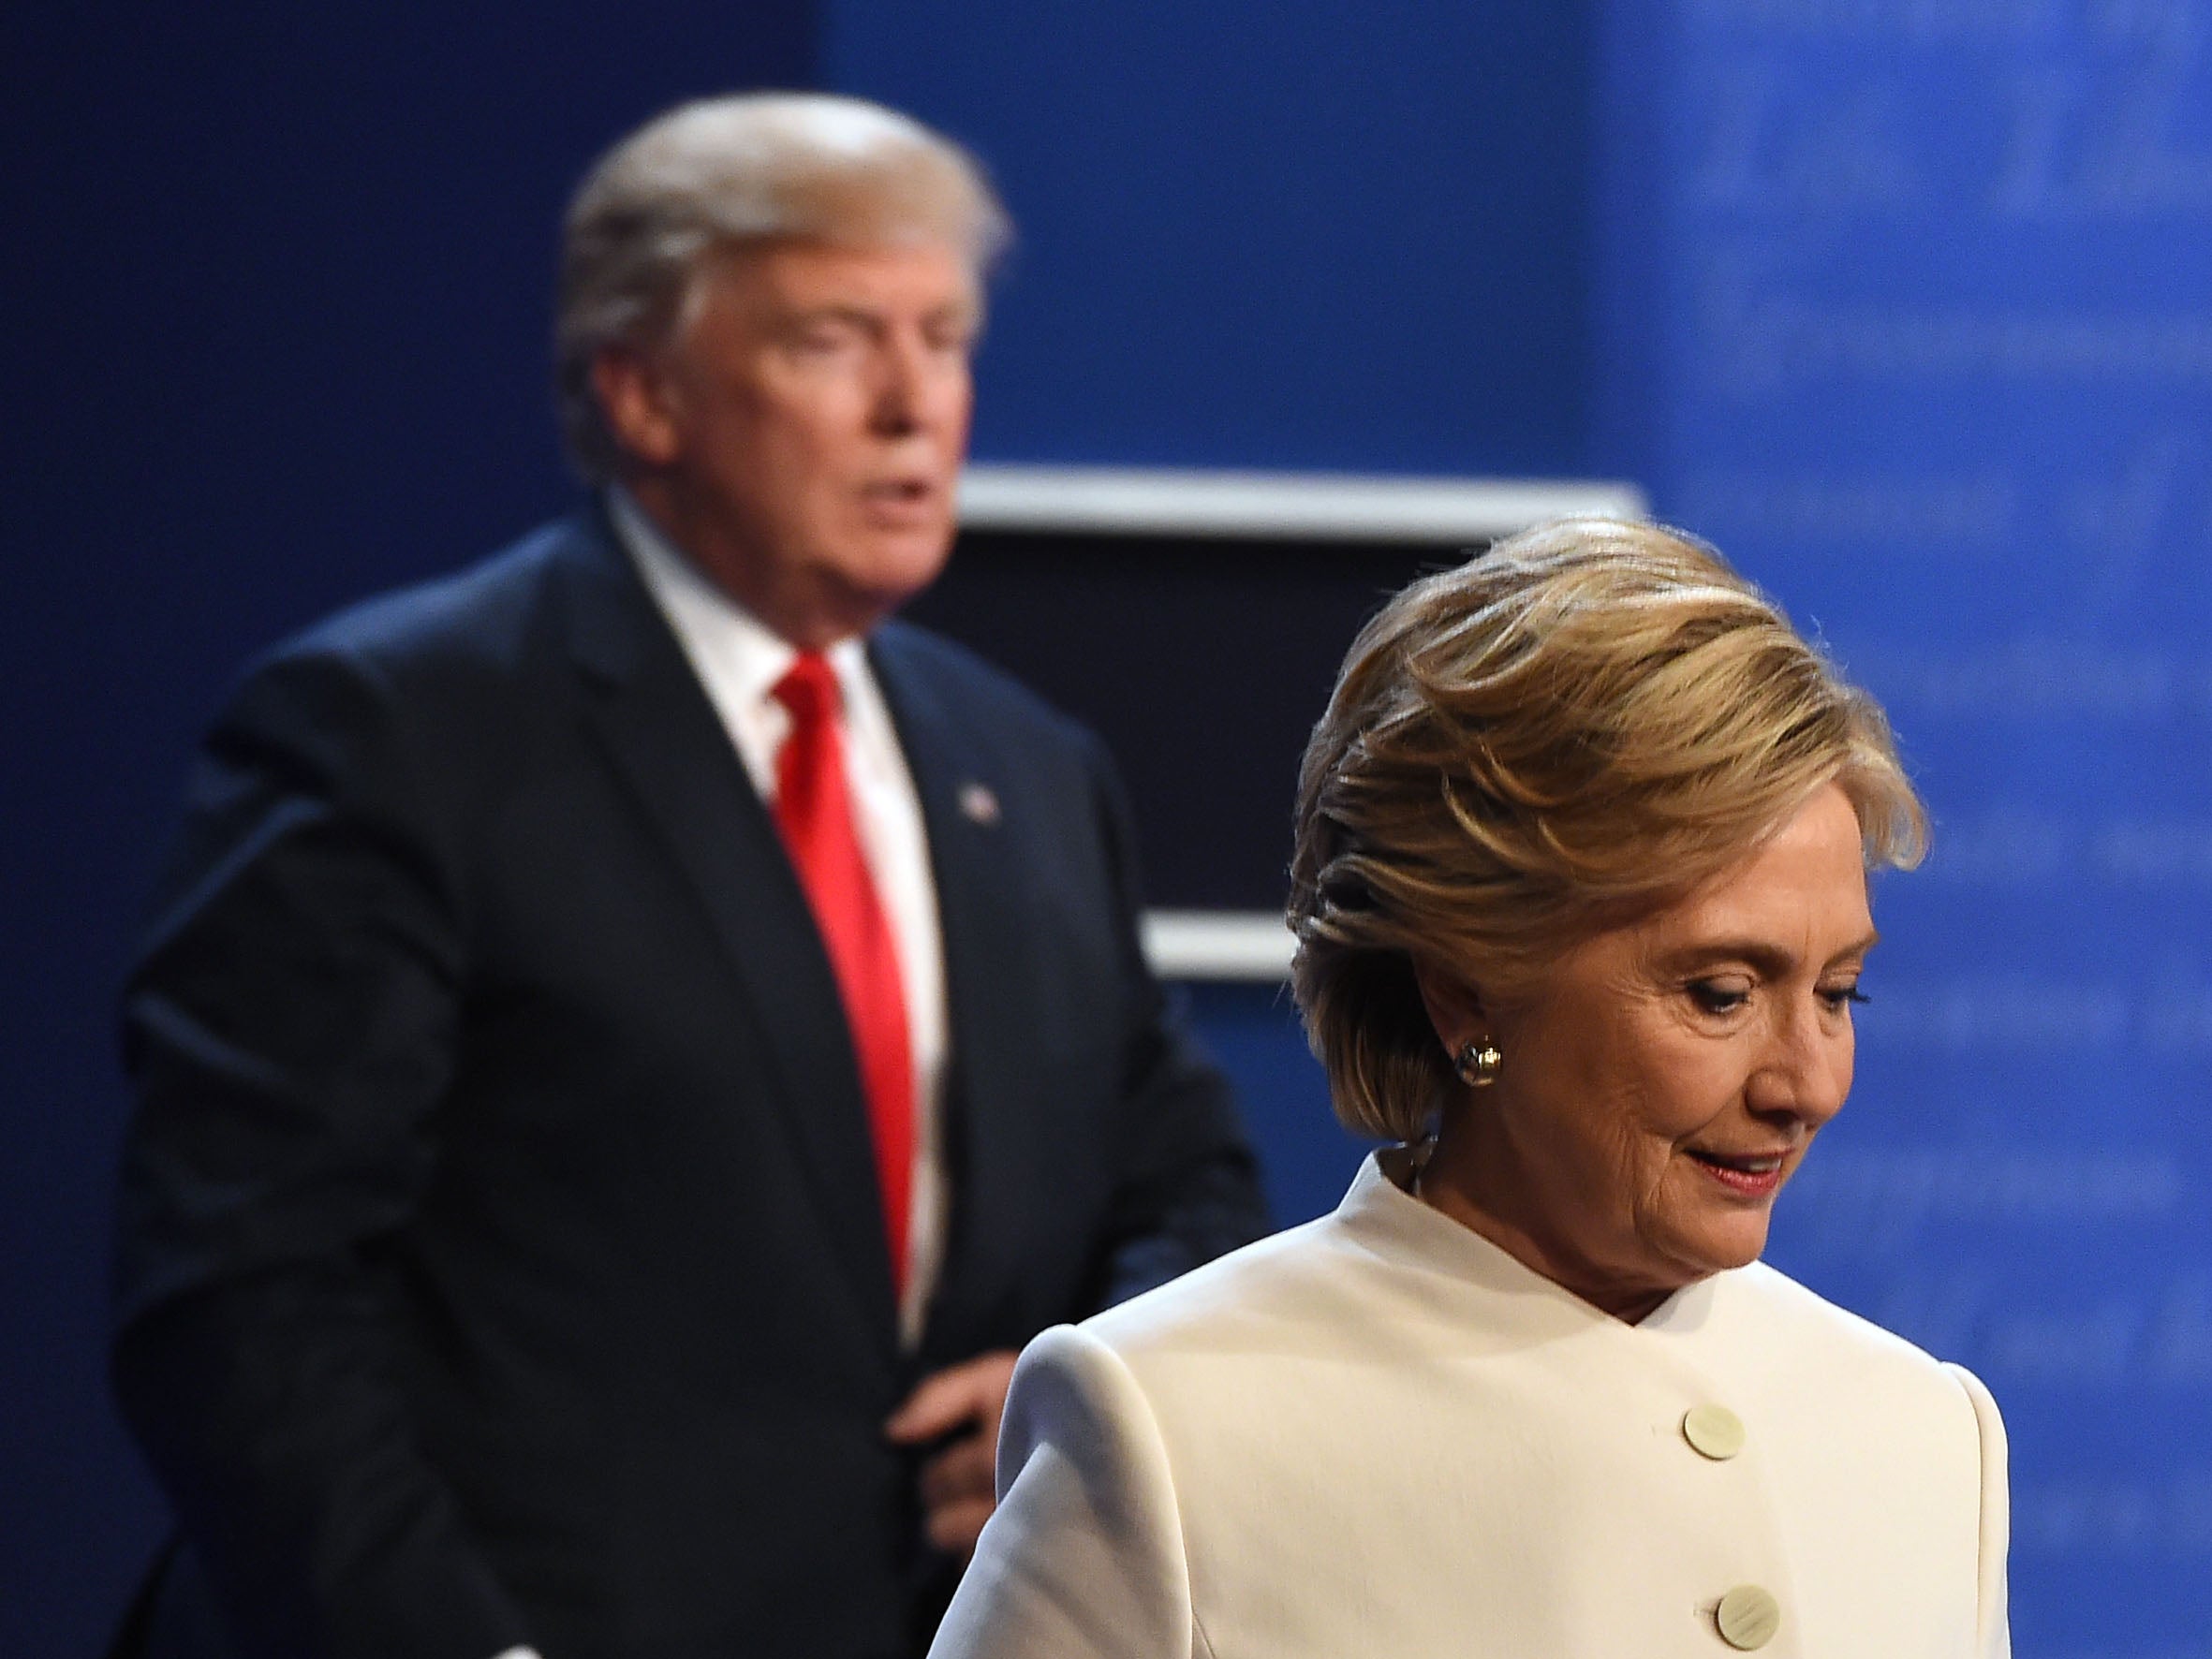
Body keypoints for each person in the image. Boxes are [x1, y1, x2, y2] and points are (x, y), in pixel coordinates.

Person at [110, 93, 1267, 1659]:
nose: (913, 406)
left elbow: (1185, 1179)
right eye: (834, 340)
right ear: (643, 393)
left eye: (943, 337)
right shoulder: (394, 729)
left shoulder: (1027, 763)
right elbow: (243, 1298)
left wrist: (1077, 1388)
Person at [931, 518, 2011, 1657]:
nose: (1807, 1083)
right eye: (1720, 991)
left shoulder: (1926, 1436)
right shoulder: (1167, 1431)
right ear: (1465, 989)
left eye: (1839, 992)